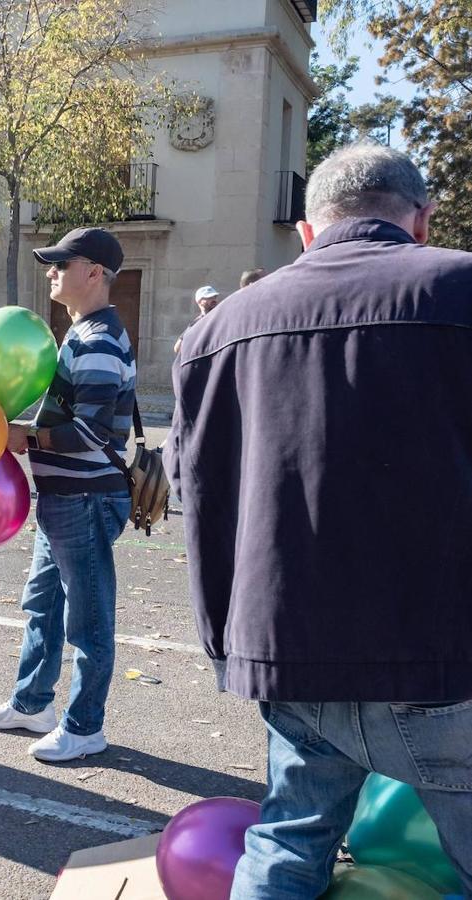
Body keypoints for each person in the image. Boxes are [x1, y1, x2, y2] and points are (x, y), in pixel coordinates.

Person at [167, 143, 472, 898]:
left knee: (286, 846)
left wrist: (228, 644)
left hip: (290, 654)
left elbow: (194, 489)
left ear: (306, 231)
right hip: (439, 657)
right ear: (421, 220)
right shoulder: (458, 291)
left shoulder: (216, 331)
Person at [0, 227, 136, 763]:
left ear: (95, 273)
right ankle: (32, 703)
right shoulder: (83, 333)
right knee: (42, 603)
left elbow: (93, 432)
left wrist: (28, 436)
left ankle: (85, 726)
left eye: (61, 264)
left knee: (88, 619)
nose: (51, 272)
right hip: (66, 494)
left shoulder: (96, 340)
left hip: (85, 497)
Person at [172, 285, 220, 355]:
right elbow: (177, 348)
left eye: (215, 297)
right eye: (209, 297)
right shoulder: (195, 324)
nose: (214, 300)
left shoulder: (221, 317)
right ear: (200, 301)